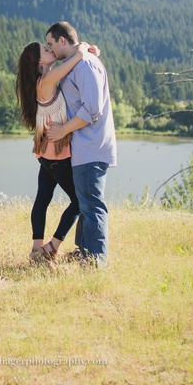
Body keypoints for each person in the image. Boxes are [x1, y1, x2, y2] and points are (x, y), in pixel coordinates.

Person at [15, 39, 97, 264]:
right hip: (57, 156)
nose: (50, 49)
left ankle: (35, 250)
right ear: (39, 61)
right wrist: (83, 49)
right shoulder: (46, 80)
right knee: (79, 202)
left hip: (45, 154)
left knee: (43, 198)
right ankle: (52, 246)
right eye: (45, 48)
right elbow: (74, 61)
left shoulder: (40, 82)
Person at [44, 21, 117, 267]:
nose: (50, 49)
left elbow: (93, 109)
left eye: (51, 43)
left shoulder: (85, 64)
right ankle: (85, 252)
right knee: (86, 203)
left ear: (62, 40)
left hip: (91, 146)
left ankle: (96, 260)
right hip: (83, 147)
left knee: (92, 204)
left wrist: (64, 129)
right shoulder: (76, 63)